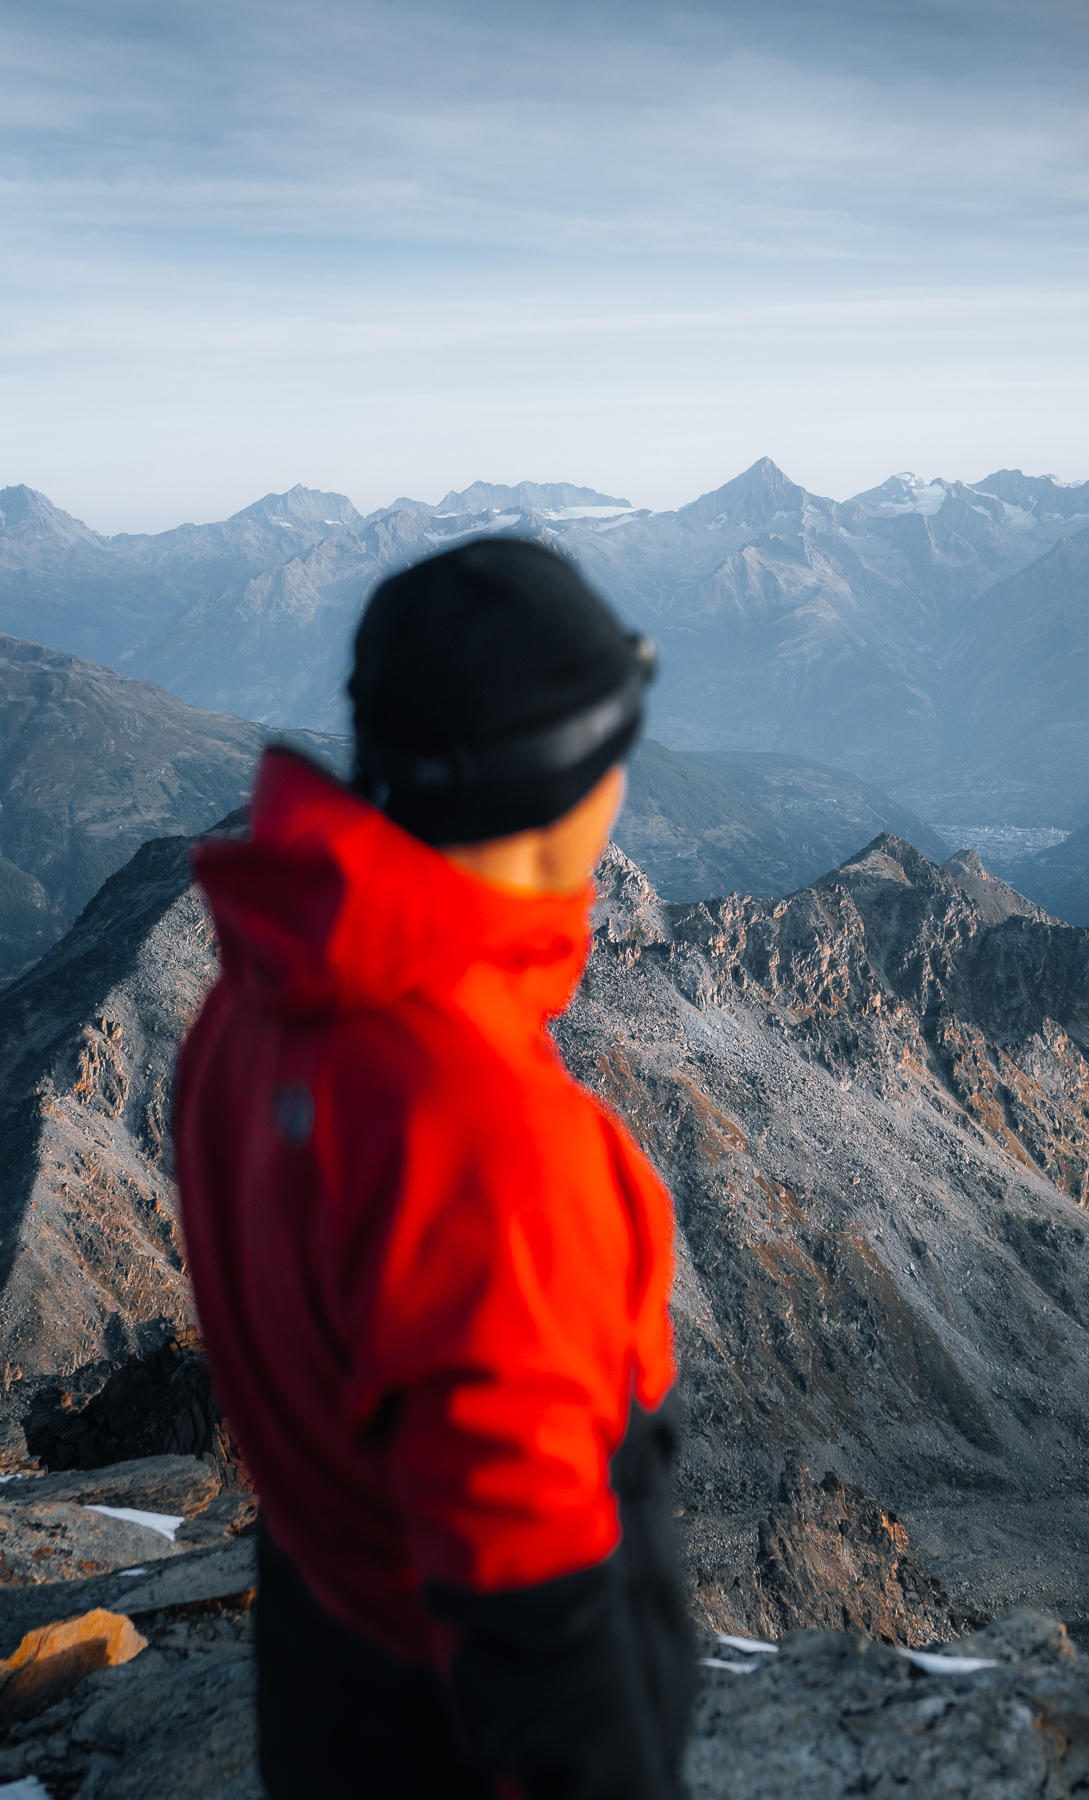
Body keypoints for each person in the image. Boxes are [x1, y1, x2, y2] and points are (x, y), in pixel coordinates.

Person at [173, 539, 695, 1799]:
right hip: (450, 1739)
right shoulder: (485, 1135)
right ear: (568, 786)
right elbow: (539, 1622)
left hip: (326, 1684)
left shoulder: (249, 1012)